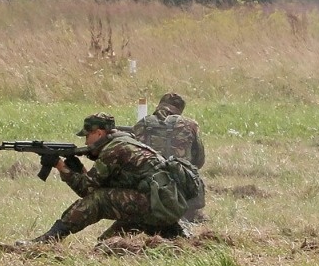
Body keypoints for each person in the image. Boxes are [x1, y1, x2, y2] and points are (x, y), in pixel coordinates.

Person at [21, 112, 201, 244]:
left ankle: (51, 237)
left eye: (88, 135)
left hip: (155, 205)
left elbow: (88, 190)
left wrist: (60, 166)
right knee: (106, 244)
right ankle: (173, 232)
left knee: (99, 200)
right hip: (161, 204)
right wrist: (78, 169)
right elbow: (100, 183)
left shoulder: (114, 149)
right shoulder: (124, 142)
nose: (86, 142)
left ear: (99, 133)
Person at [132, 93, 207, 222]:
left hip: (147, 186)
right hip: (180, 189)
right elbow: (199, 160)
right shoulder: (190, 125)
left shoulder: (141, 124)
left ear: (159, 106)